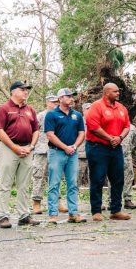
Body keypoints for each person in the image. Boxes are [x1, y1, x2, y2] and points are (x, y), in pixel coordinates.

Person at [0, 80, 41, 228]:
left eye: (26, 90)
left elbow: (36, 130)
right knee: (5, 183)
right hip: (9, 149)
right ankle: (3, 216)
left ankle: (24, 215)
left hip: (27, 149)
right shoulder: (4, 108)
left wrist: (31, 147)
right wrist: (14, 147)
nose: (26, 92)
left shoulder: (30, 110)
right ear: (13, 91)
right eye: (22, 89)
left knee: (24, 184)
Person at [84, 83, 132, 221]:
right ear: (106, 93)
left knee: (118, 179)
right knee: (98, 179)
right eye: (115, 91)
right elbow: (93, 126)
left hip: (116, 147)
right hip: (98, 147)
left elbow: (127, 126)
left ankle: (115, 210)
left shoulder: (121, 108)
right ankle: (96, 211)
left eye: (118, 91)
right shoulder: (96, 106)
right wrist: (110, 138)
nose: (118, 93)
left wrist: (120, 137)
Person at [44, 88, 86, 224]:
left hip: (73, 154)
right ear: (60, 98)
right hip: (56, 152)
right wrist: (65, 147)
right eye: (68, 96)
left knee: (73, 183)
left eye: (72, 96)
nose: (71, 98)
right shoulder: (51, 115)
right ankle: (53, 214)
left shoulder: (77, 115)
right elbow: (50, 134)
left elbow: (81, 133)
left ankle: (73, 213)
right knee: (54, 183)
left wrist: (74, 146)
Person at [32, 95, 59, 215]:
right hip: (41, 150)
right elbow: (33, 131)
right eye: (53, 102)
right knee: (39, 176)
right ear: (47, 102)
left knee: (56, 177)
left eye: (56, 102)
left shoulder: (59, 115)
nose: (55, 104)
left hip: (55, 150)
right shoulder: (41, 116)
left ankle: (57, 202)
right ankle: (36, 203)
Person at [121, 124, 136, 210]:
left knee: (129, 178)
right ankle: (111, 200)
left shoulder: (132, 127)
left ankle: (127, 200)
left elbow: (135, 140)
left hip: (127, 156)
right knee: (112, 178)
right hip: (114, 155)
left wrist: (129, 149)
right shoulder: (112, 123)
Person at [77, 102, 92, 188]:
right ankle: (73, 199)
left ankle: (93, 199)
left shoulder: (97, 121)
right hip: (80, 154)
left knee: (94, 178)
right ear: (83, 111)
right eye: (88, 109)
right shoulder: (78, 122)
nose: (90, 111)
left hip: (93, 154)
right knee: (76, 178)